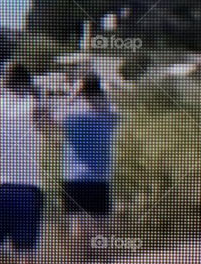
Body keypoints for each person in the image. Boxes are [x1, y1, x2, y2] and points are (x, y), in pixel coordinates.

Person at [0, 62, 53, 263]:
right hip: (26, 187)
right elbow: (52, 134)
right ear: (27, 83)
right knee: (25, 254)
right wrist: (38, 96)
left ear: (4, 83)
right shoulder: (36, 106)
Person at [58, 72, 119, 260]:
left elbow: (54, 117)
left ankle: (78, 259)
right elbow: (116, 115)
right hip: (99, 178)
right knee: (101, 230)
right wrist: (105, 94)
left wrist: (72, 94)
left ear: (81, 91)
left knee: (77, 227)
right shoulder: (108, 115)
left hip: (73, 178)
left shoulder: (71, 114)